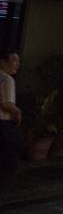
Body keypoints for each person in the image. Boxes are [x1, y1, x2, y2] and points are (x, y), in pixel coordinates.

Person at [0, 49, 23, 191]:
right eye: (14, 60)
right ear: (2, 62)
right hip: (3, 124)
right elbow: (6, 104)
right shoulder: (7, 79)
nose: (17, 64)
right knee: (9, 162)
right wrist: (19, 112)